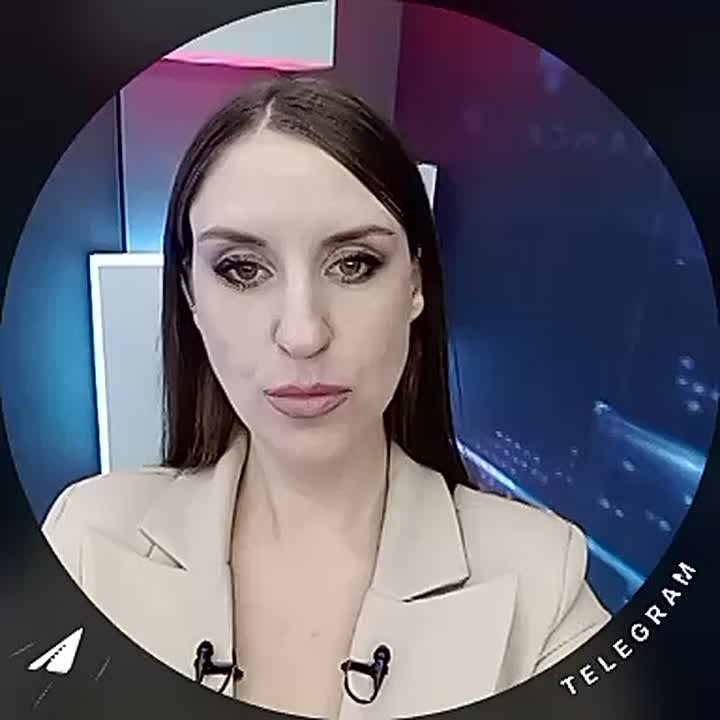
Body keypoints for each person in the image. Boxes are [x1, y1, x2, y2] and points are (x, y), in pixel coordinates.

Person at [42, 75, 611, 718]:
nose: (304, 334)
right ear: (190, 294)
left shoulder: (540, 580)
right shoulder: (87, 542)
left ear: (416, 284)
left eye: (354, 264)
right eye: (242, 269)